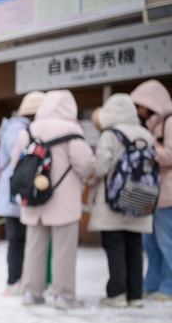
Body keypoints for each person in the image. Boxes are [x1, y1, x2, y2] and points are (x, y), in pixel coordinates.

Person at [10, 89, 94, 309]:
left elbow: (15, 165)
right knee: (64, 249)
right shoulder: (72, 129)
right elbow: (85, 164)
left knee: (34, 247)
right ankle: (64, 296)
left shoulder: (28, 130)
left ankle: (31, 292)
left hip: (33, 199)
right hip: (63, 201)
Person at [87, 94, 154, 308]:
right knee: (134, 247)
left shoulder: (110, 135)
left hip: (113, 201)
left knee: (115, 246)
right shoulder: (146, 134)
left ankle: (116, 294)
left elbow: (101, 168)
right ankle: (135, 295)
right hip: (141, 198)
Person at [0, 91, 44, 295]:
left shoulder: (13, 127)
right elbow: (21, 163)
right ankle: (15, 280)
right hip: (18, 191)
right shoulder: (19, 130)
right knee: (18, 238)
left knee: (18, 238)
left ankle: (19, 280)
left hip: (14, 192)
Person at [130, 79, 172, 301]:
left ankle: (169, 286)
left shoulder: (169, 123)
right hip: (151, 193)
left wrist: (148, 149)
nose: (139, 110)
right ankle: (152, 282)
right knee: (150, 242)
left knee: (167, 241)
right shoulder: (148, 126)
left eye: (141, 105)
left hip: (167, 194)